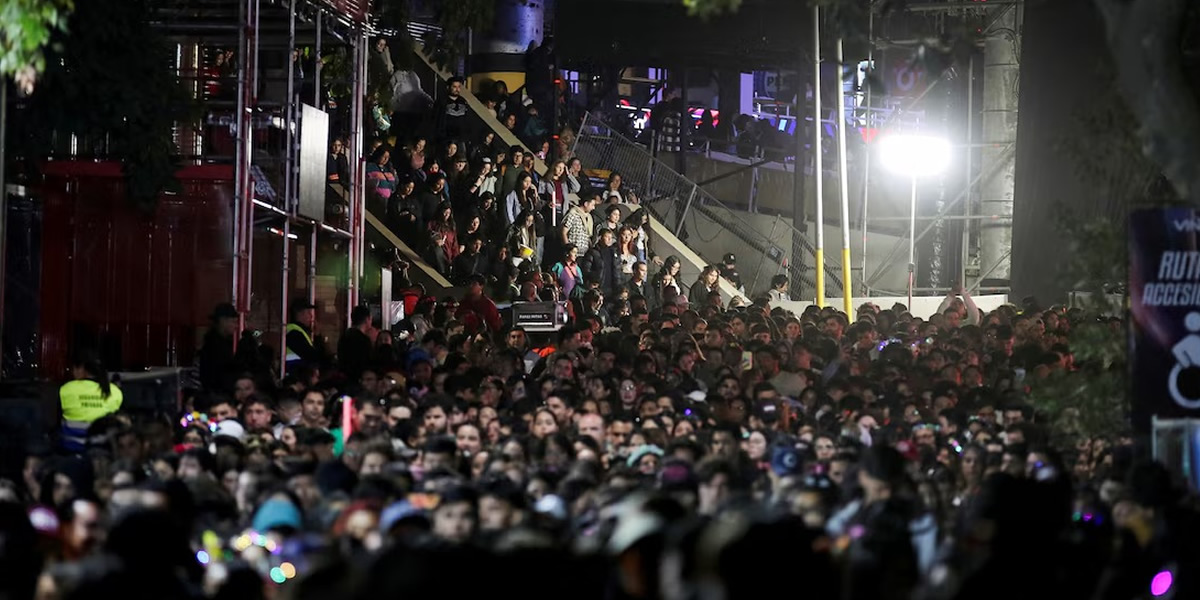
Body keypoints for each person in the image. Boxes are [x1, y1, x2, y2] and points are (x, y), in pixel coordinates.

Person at [60, 351, 123, 452]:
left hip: (71, 449)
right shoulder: (115, 392)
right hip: (103, 449)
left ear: (81, 368)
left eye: (74, 368)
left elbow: (55, 421)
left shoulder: (66, 389)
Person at [199, 302, 240, 393]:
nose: (236, 326)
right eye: (233, 322)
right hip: (218, 393)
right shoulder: (214, 346)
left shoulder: (215, 342)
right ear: (223, 321)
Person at [285, 298, 325, 373]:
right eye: (308, 312)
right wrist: (318, 336)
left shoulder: (301, 331)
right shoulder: (294, 333)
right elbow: (313, 357)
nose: (311, 316)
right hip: (295, 374)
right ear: (300, 314)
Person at [338, 305, 373, 384]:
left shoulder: (344, 336)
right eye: (370, 319)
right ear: (367, 319)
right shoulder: (364, 340)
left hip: (345, 379)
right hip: (357, 380)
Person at [581, 228, 620, 296]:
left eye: (611, 237)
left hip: (612, 288)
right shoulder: (592, 252)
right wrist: (594, 280)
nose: (609, 239)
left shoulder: (614, 253)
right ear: (600, 238)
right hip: (598, 287)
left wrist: (618, 284)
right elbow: (586, 269)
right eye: (607, 237)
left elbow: (617, 269)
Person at [562, 189, 597, 256]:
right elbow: (564, 232)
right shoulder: (573, 214)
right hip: (573, 253)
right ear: (586, 204)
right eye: (592, 205)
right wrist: (568, 249)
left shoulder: (589, 217)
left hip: (584, 253)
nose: (593, 208)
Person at [437, 76, 470, 142]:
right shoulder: (442, 101)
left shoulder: (463, 101)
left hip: (462, 138)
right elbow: (438, 120)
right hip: (446, 138)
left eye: (459, 87)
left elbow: (467, 119)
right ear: (448, 87)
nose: (457, 89)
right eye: (454, 87)